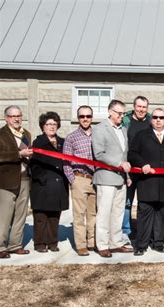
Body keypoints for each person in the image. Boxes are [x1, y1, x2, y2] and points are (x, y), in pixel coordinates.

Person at [129, 108, 164, 256]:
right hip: (147, 183)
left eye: (161, 117)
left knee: (160, 215)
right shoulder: (141, 136)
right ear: (151, 119)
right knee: (145, 215)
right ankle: (141, 245)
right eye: (155, 117)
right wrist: (142, 164)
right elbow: (132, 154)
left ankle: (158, 243)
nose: (158, 120)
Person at [92, 100, 133, 258]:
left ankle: (115, 242)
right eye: (119, 113)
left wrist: (127, 175)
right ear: (110, 112)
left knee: (118, 213)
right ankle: (102, 245)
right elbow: (99, 154)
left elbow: (125, 155)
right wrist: (118, 164)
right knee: (104, 213)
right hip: (106, 178)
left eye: (123, 113)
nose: (122, 116)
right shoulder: (100, 129)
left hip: (121, 178)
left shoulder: (123, 129)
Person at [30, 112, 69, 253]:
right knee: (41, 216)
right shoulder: (38, 142)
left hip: (59, 184)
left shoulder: (63, 142)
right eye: (48, 124)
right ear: (42, 126)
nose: (52, 127)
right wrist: (43, 178)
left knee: (54, 216)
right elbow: (33, 164)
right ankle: (40, 243)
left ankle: (53, 242)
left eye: (54, 124)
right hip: (43, 184)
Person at [0, 106, 33, 259]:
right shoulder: (1, 134)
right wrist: (19, 154)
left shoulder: (26, 134)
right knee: (4, 215)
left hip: (25, 178)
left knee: (21, 214)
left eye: (18, 115)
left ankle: (15, 244)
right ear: (6, 118)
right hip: (6, 180)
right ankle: (0, 246)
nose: (16, 119)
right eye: (12, 116)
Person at [63, 105, 96, 256]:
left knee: (93, 214)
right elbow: (66, 162)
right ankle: (81, 245)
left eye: (88, 116)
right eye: (82, 116)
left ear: (92, 118)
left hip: (95, 180)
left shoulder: (98, 135)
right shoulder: (71, 137)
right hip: (80, 179)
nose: (85, 119)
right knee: (79, 215)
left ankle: (92, 242)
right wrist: (73, 180)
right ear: (78, 119)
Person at [122, 96, 151, 240]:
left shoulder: (151, 122)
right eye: (139, 107)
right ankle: (126, 231)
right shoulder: (126, 122)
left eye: (144, 107)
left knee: (144, 202)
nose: (141, 110)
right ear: (134, 107)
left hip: (145, 170)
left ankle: (143, 231)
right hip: (129, 169)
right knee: (127, 202)